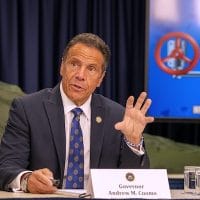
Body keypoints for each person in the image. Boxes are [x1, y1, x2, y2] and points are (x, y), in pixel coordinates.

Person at [0, 33, 154, 194]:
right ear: (62, 67)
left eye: (91, 69)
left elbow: (134, 181)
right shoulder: (27, 109)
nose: (80, 75)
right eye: (74, 64)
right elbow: (6, 166)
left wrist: (133, 142)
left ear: (100, 78)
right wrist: (27, 180)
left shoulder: (117, 117)